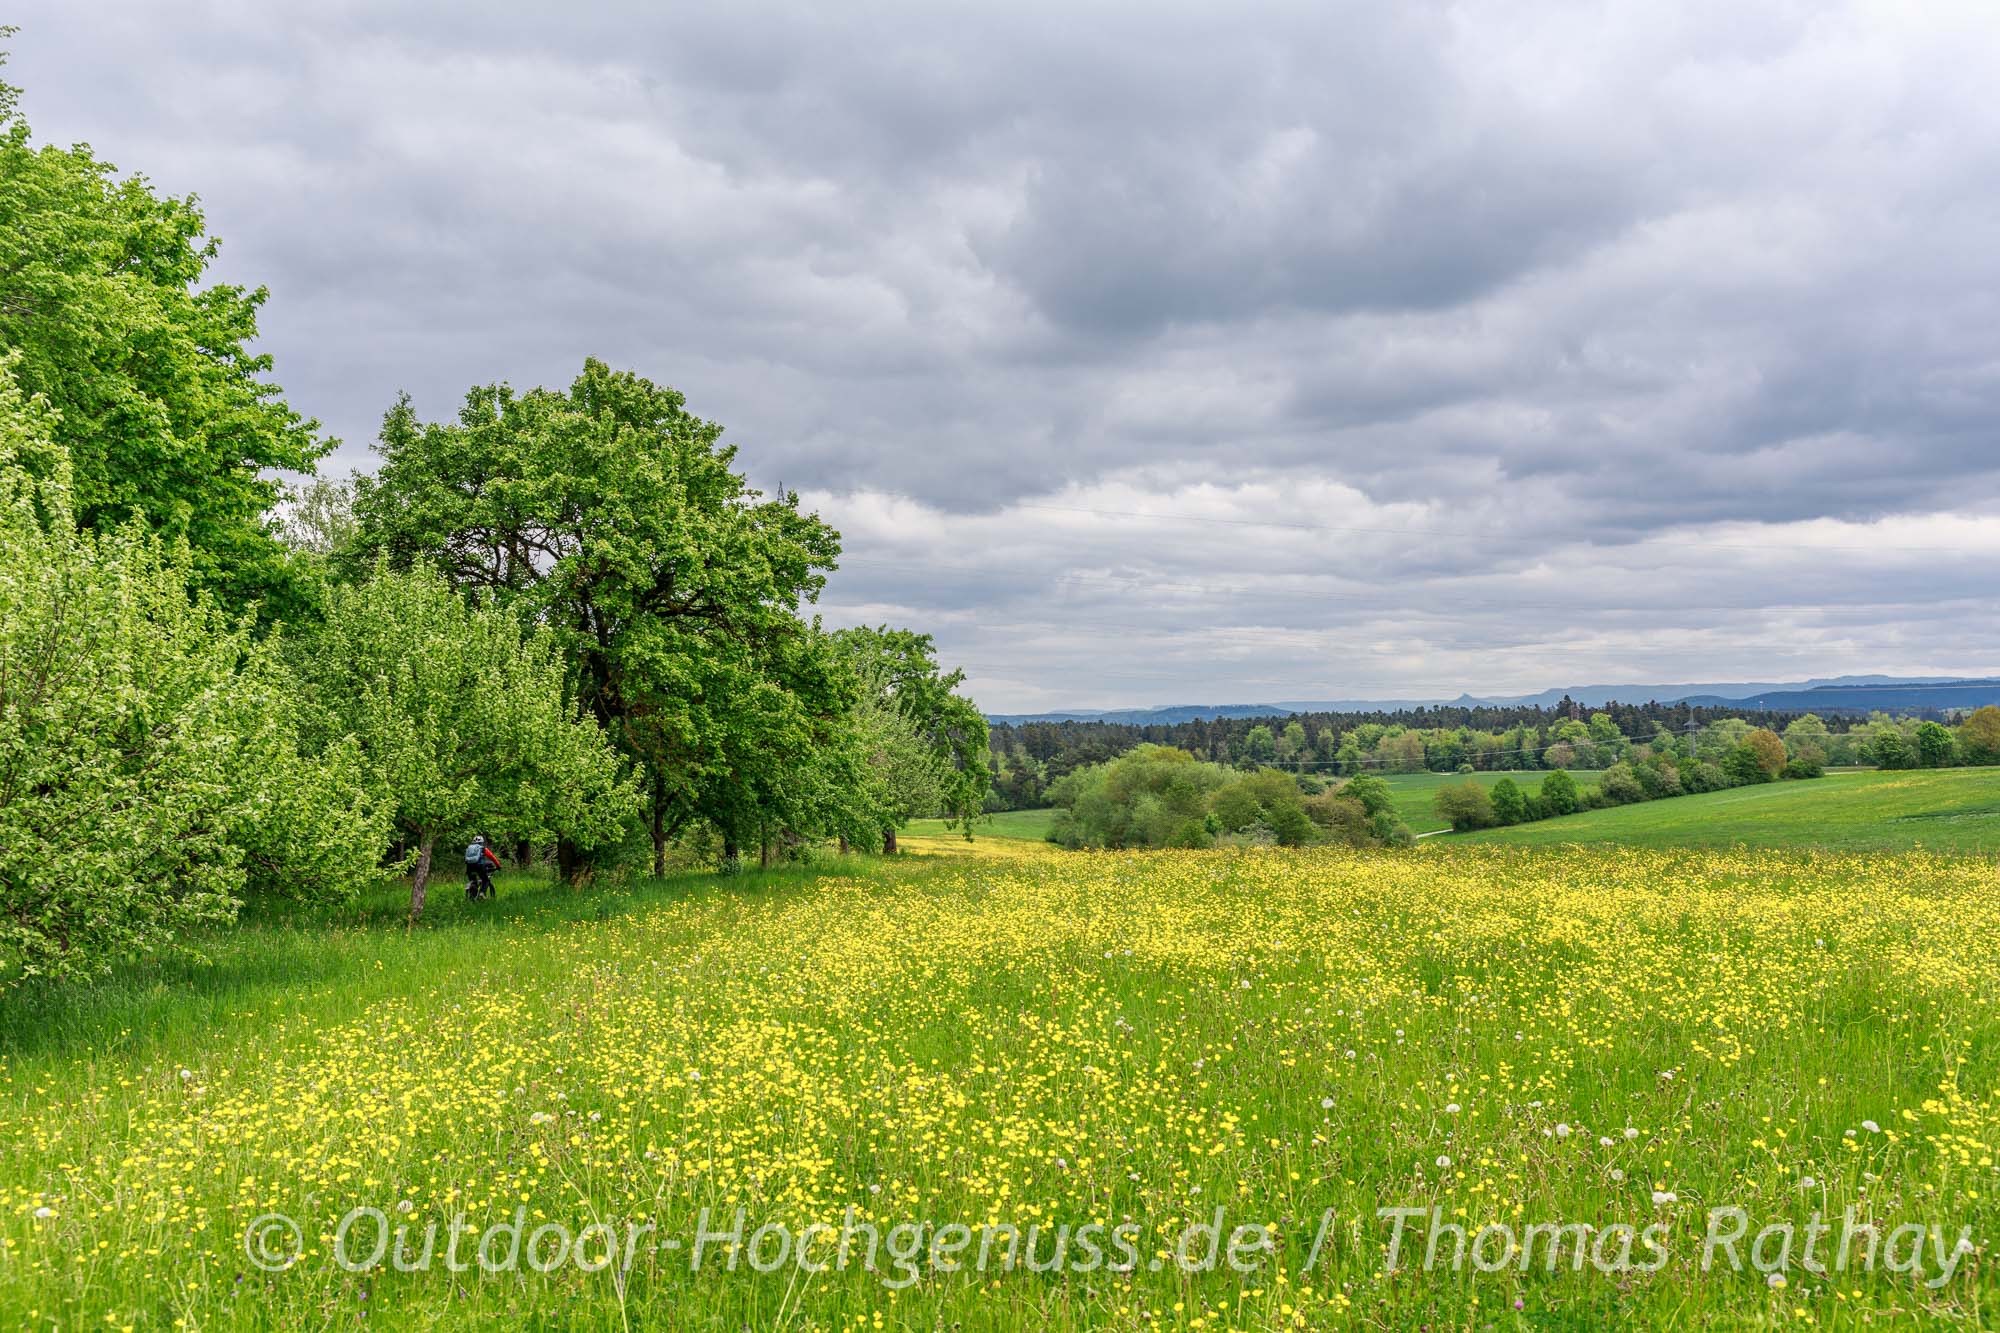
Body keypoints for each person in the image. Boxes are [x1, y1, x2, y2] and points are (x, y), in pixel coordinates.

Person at [464, 834, 500, 901]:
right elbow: (493, 858)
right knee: (486, 880)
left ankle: (472, 897)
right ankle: (482, 893)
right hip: (479, 867)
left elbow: (466, 859)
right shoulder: (483, 848)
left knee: (473, 881)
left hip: (469, 867)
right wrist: (498, 866)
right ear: (481, 842)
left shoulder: (468, 848)